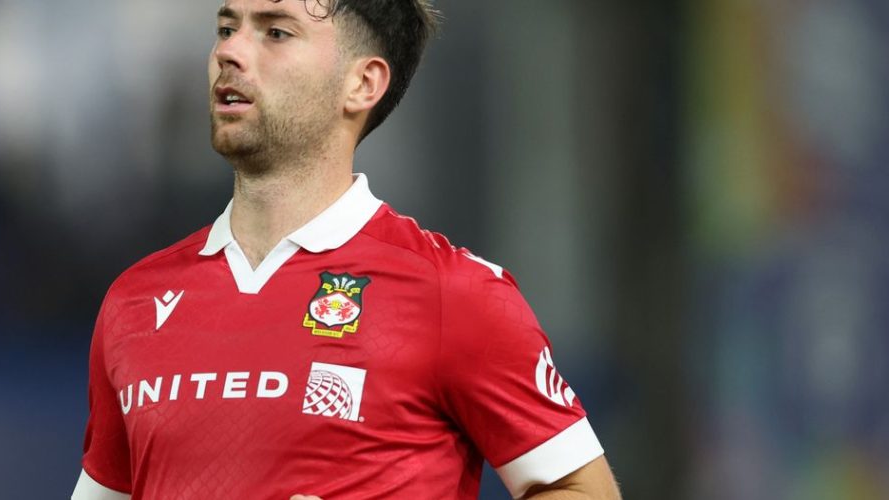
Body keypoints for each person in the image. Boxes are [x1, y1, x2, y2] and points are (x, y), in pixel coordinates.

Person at [71, 0, 621, 498]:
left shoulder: (452, 292)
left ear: (362, 83)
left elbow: (583, 491)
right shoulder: (136, 300)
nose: (229, 51)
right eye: (225, 27)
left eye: (276, 32)